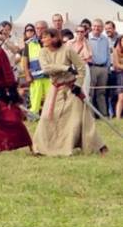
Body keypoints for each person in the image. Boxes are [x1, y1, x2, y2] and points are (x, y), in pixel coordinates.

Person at [33, 28, 108, 156]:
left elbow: (81, 68)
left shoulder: (67, 50)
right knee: (46, 117)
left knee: (80, 119)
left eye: (45, 37)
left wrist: (78, 85)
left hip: (71, 88)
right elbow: (46, 68)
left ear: (54, 38)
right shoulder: (43, 52)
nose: (42, 39)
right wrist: (65, 68)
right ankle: (41, 148)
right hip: (56, 88)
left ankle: (99, 147)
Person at [21, 20, 50, 114]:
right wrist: (27, 75)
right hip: (35, 76)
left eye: (42, 28)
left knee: (52, 99)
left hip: (50, 76)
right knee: (35, 100)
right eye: (37, 28)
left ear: (47, 29)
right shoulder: (29, 43)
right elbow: (25, 61)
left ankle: (52, 118)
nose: (40, 30)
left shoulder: (52, 41)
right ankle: (33, 118)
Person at [87, 19, 109, 116]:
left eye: (99, 26)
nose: (97, 28)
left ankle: (103, 114)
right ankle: (91, 115)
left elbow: (108, 53)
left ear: (102, 28)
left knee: (102, 92)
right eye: (95, 26)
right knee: (90, 93)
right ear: (92, 27)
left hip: (103, 69)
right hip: (92, 68)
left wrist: (107, 68)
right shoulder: (87, 38)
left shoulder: (105, 39)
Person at [66, 25, 92, 94]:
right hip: (73, 67)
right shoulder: (70, 43)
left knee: (85, 89)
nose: (79, 33)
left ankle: (85, 104)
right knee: (73, 88)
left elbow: (88, 57)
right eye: (78, 31)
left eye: (82, 32)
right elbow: (67, 56)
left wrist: (84, 44)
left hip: (84, 67)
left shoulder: (87, 43)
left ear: (85, 33)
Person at [104, 21, 119, 117]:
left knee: (118, 93)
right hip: (108, 70)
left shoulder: (120, 38)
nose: (107, 30)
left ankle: (119, 113)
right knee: (108, 93)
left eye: (109, 28)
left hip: (118, 70)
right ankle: (111, 114)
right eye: (106, 29)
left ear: (114, 28)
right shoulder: (104, 39)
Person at [112, 36, 123, 118]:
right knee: (121, 97)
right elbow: (116, 65)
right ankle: (118, 117)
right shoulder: (116, 51)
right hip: (120, 75)